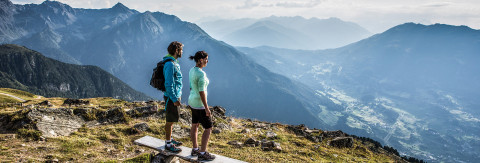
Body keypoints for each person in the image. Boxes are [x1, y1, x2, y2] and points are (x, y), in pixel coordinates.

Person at [188, 51, 215, 161]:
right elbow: (202, 92)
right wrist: (207, 108)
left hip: (192, 102)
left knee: (195, 125)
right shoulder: (201, 74)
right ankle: (202, 152)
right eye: (206, 59)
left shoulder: (192, 70)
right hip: (199, 104)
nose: (207, 61)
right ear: (200, 60)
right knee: (208, 128)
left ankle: (195, 148)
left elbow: (191, 86)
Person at [163, 41, 184, 152]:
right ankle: (168, 144)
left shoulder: (173, 62)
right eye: (181, 50)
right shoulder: (170, 64)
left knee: (171, 120)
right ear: (176, 50)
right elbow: (168, 84)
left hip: (175, 95)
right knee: (170, 120)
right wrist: (174, 98)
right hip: (172, 97)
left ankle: (170, 139)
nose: (182, 52)